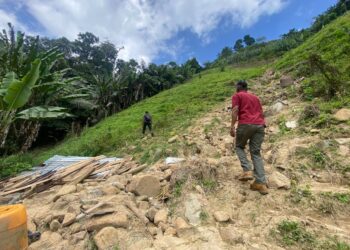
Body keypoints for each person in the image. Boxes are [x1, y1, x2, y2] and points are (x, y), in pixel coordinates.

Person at [230, 80, 268, 195]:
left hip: (246, 124)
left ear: (238, 88)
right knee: (256, 153)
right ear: (247, 88)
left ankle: (247, 170)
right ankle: (261, 183)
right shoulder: (255, 98)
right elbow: (261, 112)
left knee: (239, 146)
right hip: (260, 125)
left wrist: (232, 126)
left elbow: (235, 110)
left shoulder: (237, 96)